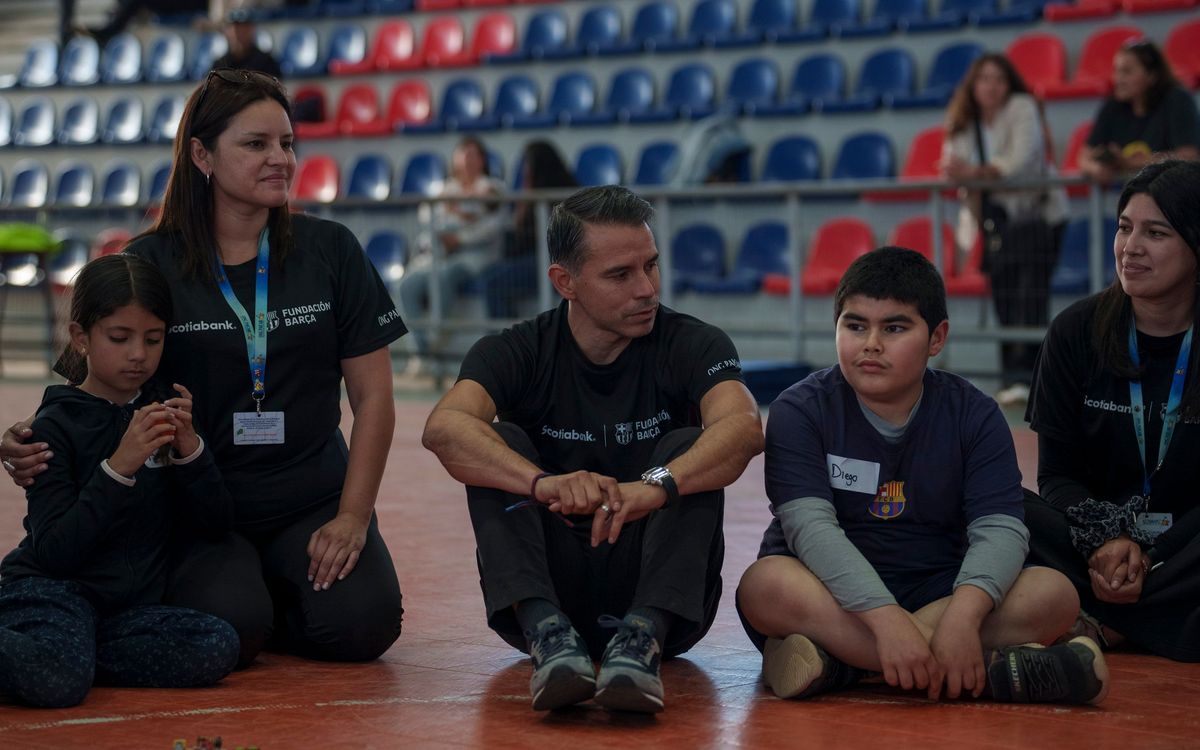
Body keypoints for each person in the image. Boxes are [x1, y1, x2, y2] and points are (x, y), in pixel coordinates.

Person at [1, 69, 406, 668]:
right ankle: (255, 606)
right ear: (201, 154)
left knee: (363, 631)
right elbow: (89, 380)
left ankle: (277, 596)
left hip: (311, 499)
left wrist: (351, 517)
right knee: (232, 631)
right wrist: (29, 439)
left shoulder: (333, 250)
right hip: (199, 507)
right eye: (256, 144)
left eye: (287, 143)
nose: (281, 160)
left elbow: (374, 399)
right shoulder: (150, 261)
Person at [421, 185, 763, 713]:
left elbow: (743, 428)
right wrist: (542, 482)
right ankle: (548, 635)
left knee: (691, 448)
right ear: (566, 282)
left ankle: (641, 639)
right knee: (496, 443)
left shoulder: (693, 342)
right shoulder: (518, 349)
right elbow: (443, 427)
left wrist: (652, 487)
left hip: (659, 592)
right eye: (620, 275)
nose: (647, 288)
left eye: (651, 266)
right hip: (552, 582)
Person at [736, 246, 1109, 705]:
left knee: (1054, 594)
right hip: (826, 590)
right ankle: (984, 673)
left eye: (894, 328)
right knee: (763, 586)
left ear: (937, 338)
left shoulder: (975, 413)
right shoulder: (800, 409)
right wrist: (885, 618)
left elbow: (1001, 530)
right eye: (855, 325)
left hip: (941, 586)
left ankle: (843, 666)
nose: (871, 343)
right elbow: (811, 531)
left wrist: (962, 619)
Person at [0, 254, 239, 708]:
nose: (138, 354)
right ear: (81, 338)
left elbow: (216, 525)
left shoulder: (164, 412)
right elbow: (56, 552)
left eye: (153, 339)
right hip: (53, 591)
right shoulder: (55, 427)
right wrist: (119, 467)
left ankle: (73, 655)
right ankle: (60, 655)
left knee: (215, 644)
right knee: (58, 682)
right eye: (119, 337)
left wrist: (192, 454)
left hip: (123, 610)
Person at [1024, 160, 1200, 663]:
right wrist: (1107, 538)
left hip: (1185, 547)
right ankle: (1166, 625)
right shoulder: (1074, 331)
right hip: (1092, 546)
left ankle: (1110, 622)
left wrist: (1151, 556)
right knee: (995, 505)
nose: (1131, 247)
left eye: (1156, 232)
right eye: (1124, 228)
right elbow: (1056, 476)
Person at [941, 53, 1068, 408]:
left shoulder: (1023, 107)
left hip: (1037, 217)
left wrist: (976, 172)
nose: (992, 86)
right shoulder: (964, 119)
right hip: (996, 222)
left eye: (998, 78)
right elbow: (951, 166)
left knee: (1030, 297)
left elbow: (1020, 162)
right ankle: (1011, 377)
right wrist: (974, 173)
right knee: (1004, 297)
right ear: (973, 85)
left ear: (1009, 82)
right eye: (984, 78)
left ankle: (1031, 377)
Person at [400, 136, 506, 361]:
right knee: (407, 285)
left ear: (482, 160)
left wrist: (459, 236)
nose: (467, 160)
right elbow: (427, 216)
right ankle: (422, 352)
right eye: (463, 154)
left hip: (476, 257)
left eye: (473, 155)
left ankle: (439, 336)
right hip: (441, 254)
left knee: (444, 276)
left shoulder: (493, 188)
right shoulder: (446, 188)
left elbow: (490, 227)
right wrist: (461, 217)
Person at [479, 140, 578, 320]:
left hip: (553, 264)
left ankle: (507, 344)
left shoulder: (560, 198)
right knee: (490, 273)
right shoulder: (531, 195)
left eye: (527, 164)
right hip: (535, 260)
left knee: (494, 283)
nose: (524, 170)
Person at [1079, 40, 1200, 184]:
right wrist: (1096, 168)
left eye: (1127, 71)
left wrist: (1129, 163)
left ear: (1152, 75)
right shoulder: (1112, 105)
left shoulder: (1178, 100)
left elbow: (1188, 156)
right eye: (1116, 71)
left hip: (1173, 195)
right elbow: (1084, 157)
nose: (1118, 79)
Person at [211, 7, 282, 79]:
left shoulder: (266, 62)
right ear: (226, 31)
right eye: (234, 28)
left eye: (244, 28)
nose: (239, 33)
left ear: (252, 29)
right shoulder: (220, 66)